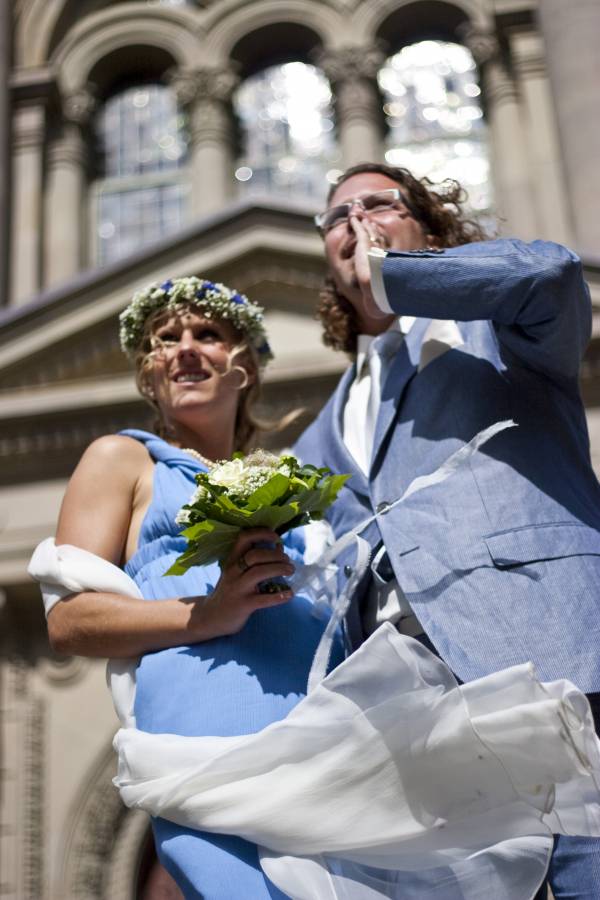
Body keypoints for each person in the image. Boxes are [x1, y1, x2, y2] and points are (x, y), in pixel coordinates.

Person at [294, 161, 600, 898]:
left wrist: (397, 275)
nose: (354, 223)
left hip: (542, 648)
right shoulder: (321, 430)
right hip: (411, 710)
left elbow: (552, 275)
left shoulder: (494, 327)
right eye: (337, 218)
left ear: (427, 226)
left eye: (377, 205)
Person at [33, 276, 346, 898]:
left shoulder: (289, 483)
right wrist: (206, 614)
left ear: (245, 367)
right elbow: (68, 623)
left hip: (320, 725)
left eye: (207, 334)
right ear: (150, 374)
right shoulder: (123, 459)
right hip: (206, 728)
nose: (184, 349)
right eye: (165, 340)